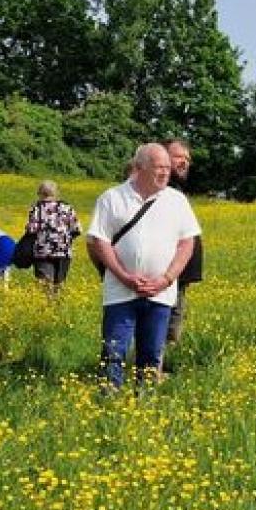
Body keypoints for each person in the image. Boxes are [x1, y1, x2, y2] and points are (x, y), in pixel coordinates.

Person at [87, 143, 201, 391]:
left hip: (160, 293)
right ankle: (108, 401)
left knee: (151, 355)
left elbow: (187, 244)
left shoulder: (177, 201)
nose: (165, 173)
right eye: (159, 167)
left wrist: (166, 279)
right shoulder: (112, 198)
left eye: (167, 168)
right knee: (113, 351)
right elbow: (99, 241)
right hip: (120, 291)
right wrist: (124, 276)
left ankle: (146, 402)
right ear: (139, 168)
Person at [162, 139, 204, 369]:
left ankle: (163, 363)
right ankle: (155, 367)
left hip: (178, 272)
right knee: (164, 318)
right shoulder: (160, 189)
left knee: (174, 316)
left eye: (187, 159)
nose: (185, 162)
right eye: (180, 157)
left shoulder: (175, 190)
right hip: (166, 270)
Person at [24, 180, 83, 293]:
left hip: (43, 252)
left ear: (40, 193)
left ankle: (47, 309)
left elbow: (31, 230)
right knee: (59, 286)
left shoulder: (37, 208)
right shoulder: (67, 208)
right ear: (56, 193)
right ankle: (57, 308)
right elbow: (77, 229)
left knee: (45, 287)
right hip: (64, 252)